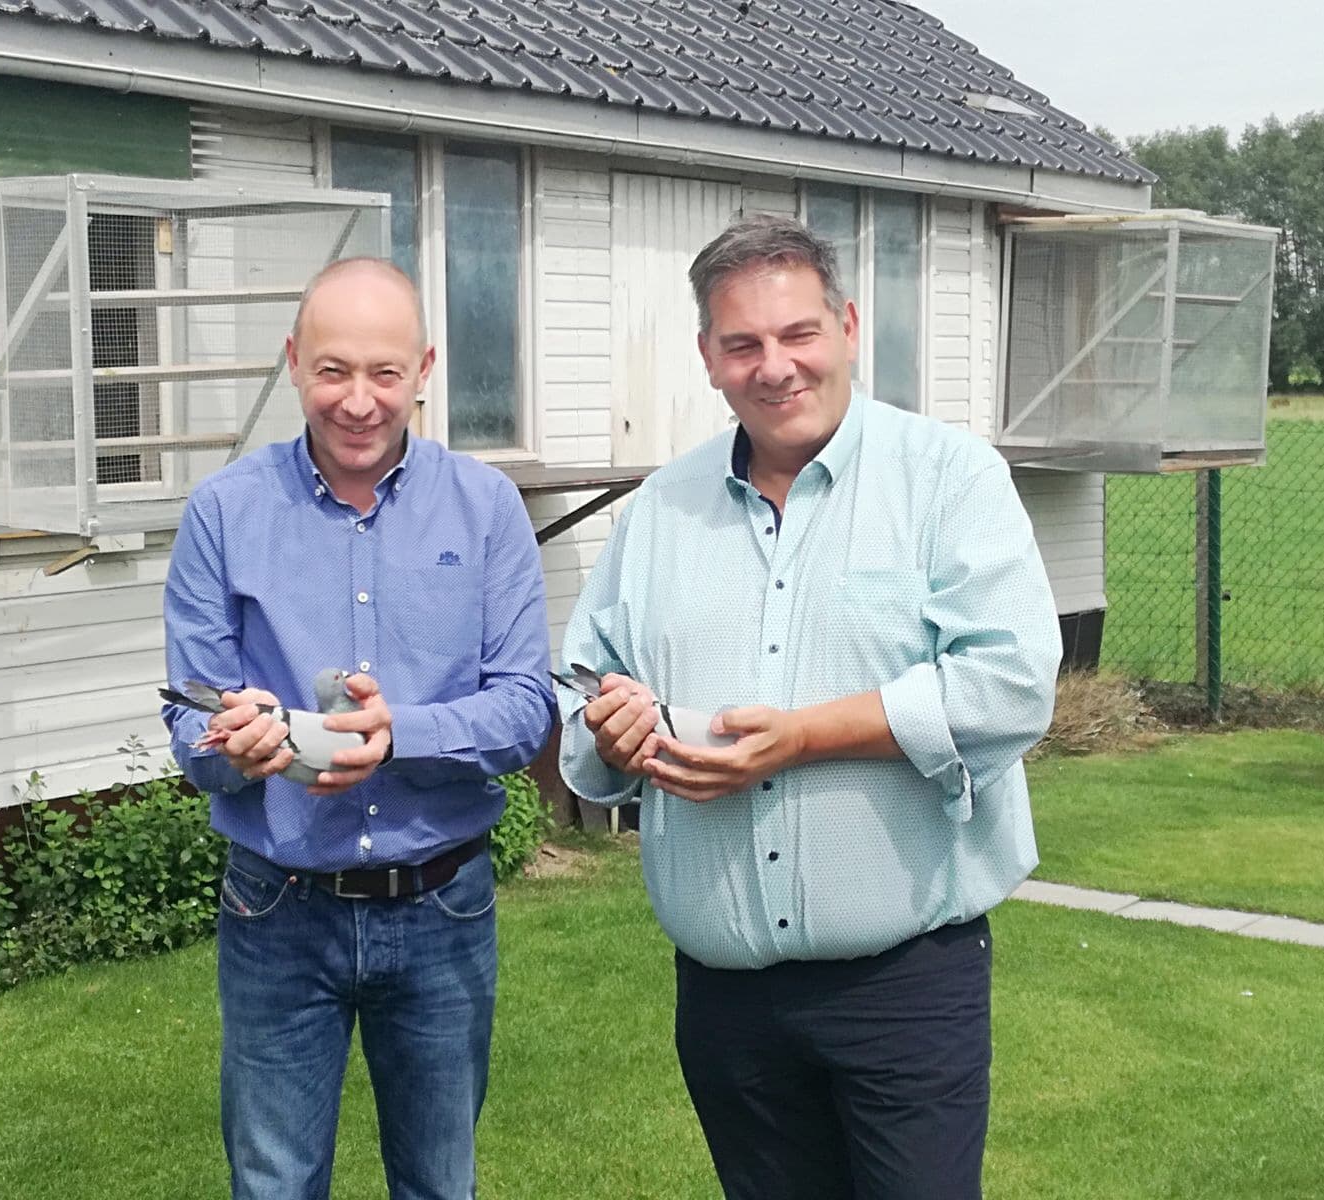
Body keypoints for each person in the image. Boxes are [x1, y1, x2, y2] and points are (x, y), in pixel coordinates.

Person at [558, 215, 1061, 1200]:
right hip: (726, 1003)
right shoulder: (659, 512)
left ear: (848, 327)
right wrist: (609, 735)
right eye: (742, 343)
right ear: (708, 356)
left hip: (905, 987)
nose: (775, 366)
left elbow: (1008, 685)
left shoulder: (947, 479)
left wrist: (801, 739)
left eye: (798, 334)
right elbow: (584, 696)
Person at [162, 257, 556, 1200]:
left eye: (385, 372)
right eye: (333, 369)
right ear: (294, 361)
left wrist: (400, 733)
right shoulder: (225, 512)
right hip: (277, 909)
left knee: (439, 1183)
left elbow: (524, 707)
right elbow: (189, 721)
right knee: (274, 1184)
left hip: (441, 904)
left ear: (424, 370)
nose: (358, 400)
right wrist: (234, 751)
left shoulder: (485, 507)